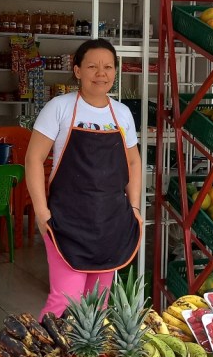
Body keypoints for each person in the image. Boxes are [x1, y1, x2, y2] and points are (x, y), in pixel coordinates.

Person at [25, 38, 143, 317]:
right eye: (92, 66)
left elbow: (134, 161)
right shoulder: (59, 107)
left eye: (108, 67)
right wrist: (42, 213)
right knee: (64, 301)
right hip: (67, 221)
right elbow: (33, 159)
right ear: (77, 70)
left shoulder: (122, 113)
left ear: (116, 72)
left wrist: (135, 207)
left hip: (110, 223)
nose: (100, 73)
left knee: (98, 304)